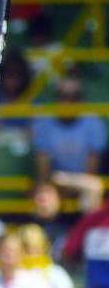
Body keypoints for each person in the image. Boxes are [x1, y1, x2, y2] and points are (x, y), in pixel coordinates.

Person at [32, 78, 106, 212]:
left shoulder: (94, 123)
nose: (68, 102)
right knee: (44, 195)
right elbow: (43, 170)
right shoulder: (43, 124)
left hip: (78, 182)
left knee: (94, 187)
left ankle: (83, 231)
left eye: (74, 97)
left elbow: (91, 171)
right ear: (56, 99)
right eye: (64, 96)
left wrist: (67, 181)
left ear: (81, 100)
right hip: (55, 183)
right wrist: (52, 186)